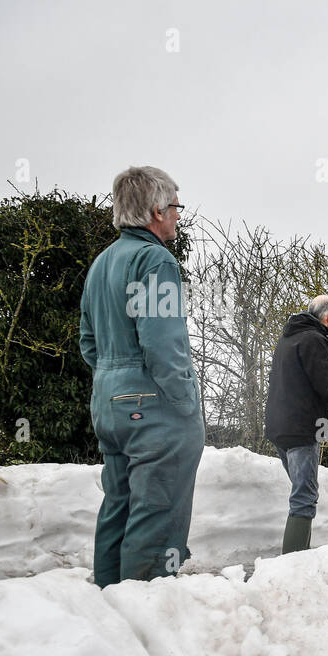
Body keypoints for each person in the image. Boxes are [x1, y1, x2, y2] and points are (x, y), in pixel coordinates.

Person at [79, 165, 204, 587]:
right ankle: (146, 604)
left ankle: (108, 601)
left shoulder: (102, 263)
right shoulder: (154, 259)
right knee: (159, 508)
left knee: (120, 503)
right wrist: (185, 402)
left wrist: (114, 382)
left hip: (109, 402)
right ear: (156, 210)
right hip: (151, 406)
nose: (178, 215)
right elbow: (162, 342)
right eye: (174, 206)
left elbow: (88, 341)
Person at [264, 295, 328, 552]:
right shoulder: (315, 340)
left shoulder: (289, 338)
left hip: (280, 427)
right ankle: (293, 563)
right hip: (302, 428)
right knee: (304, 497)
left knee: (302, 493)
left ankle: (297, 559)